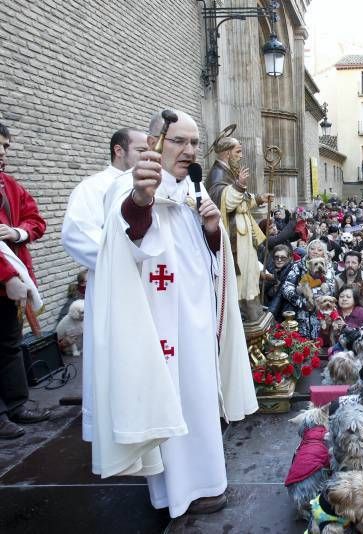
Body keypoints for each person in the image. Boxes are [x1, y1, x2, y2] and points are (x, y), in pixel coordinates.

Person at [91, 110, 257, 516]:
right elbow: (128, 235)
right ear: (155, 144)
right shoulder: (133, 188)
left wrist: (213, 230)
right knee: (171, 403)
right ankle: (178, 492)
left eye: (195, 142)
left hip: (197, 322)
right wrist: (141, 200)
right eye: (180, 141)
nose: (189, 150)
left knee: (200, 402)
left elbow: (206, 260)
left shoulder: (193, 192)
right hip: (160, 325)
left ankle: (207, 481)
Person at [61, 127, 148, 441]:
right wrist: (122, 259)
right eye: (140, 150)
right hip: (114, 288)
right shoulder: (94, 187)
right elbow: (75, 233)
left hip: (152, 288)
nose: (147, 155)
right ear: (119, 151)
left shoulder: (153, 184)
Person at [0, 122, 50, 440]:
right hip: (7, 280)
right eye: (0, 145)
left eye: (6, 146)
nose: (5, 152)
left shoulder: (9, 184)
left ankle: (17, 405)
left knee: (9, 346)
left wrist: (18, 232)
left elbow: (36, 221)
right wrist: (6, 278)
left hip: (14, 280)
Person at [205, 134, 269, 322]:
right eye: (238, 152)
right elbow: (224, 202)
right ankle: (245, 314)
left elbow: (241, 201)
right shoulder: (217, 174)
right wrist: (239, 185)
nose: (241, 156)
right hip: (233, 239)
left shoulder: (229, 172)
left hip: (242, 238)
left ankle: (253, 309)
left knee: (249, 275)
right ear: (226, 154)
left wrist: (258, 199)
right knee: (241, 278)